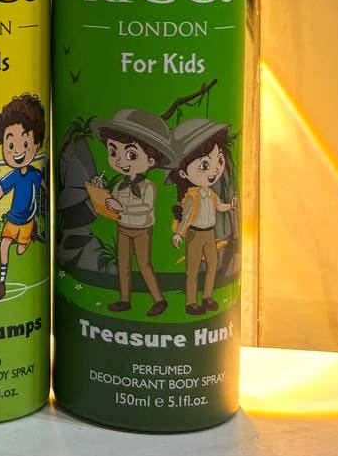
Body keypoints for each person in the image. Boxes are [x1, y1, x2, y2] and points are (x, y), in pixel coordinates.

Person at [89, 108, 173, 316]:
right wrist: (100, 192)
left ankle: (160, 300)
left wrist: (122, 207)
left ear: (151, 161)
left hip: (142, 229)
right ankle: (124, 300)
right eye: (113, 152)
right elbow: (111, 203)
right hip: (123, 228)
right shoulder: (120, 186)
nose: (120, 161)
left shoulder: (148, 187)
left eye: (131, 155)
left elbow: (146, 207)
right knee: (123, 264)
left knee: (144, 264)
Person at [168, 118, 238, 315]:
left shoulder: (210, 193)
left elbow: (220, 207)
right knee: (192, 270)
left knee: (212, 265)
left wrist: (231, 206)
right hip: (195, 234)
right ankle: (191, 302)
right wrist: (178, 234)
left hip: (210, 233)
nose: (215, 169)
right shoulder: (192, 196)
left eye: (219, 161)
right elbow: (186, 216)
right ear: (183, 174)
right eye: (205, 165)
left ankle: (207, 297)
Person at [0, 93, 45, 301]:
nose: (17, 150)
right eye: (10, 145)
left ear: (37, 145)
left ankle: (28, 237)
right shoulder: (13, 176)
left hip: (27, 221)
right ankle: (1, 281)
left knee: (20, 250)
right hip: (13, 219)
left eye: (25, 143)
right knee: (4, 244)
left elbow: (42, 185)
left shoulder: (35, 174)